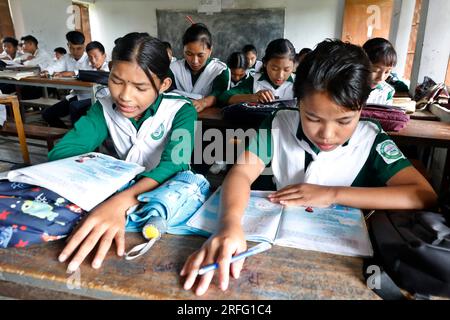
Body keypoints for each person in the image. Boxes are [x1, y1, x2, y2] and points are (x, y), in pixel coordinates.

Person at [181, 39, 437, 296]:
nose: (327, 134)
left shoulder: (371, 138)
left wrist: (332, 194)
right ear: (297, 102)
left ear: (362, 107)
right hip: (277, 251)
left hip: (345, 261)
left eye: (345, 120)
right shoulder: (278, 123)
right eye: (312, 118)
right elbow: (241, 172)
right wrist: (229, 224)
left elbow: (422, 194)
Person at [50, 32, 197, 273]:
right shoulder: (105, 107)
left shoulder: (181, 110)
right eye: (117, 81)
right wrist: (111, 188)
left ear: (163, 85)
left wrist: (122, 200)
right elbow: (63, 152)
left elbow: (175, 164)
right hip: (114, 196)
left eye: (140, 87)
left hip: (168, 197)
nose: (125, 96)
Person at [169, 23, 230, 112]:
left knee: (198, 126)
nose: (195, 61)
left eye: (200, 55)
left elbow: (220, 95)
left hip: (208, 121)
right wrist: (202, 98)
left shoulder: (220, 70)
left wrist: (204, 102)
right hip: (179, 118)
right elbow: (166, 94)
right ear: (183, 49)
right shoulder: (173, 69)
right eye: (189, 54)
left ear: (210, 51)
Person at [218, 38, 296, 106]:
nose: (280, 76)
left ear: (293, 66)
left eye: (286, 69)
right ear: (265, 63)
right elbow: (224, 97)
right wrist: (253, 97)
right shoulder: (254, 81)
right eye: (274, 69)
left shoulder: (299, 82)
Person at [41, 31, 91, 128]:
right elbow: (55, 66)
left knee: (75, 109)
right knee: (47, 114)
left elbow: (91, 74)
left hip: (90, 97)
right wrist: (47, 71)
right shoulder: (67, 58)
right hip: (75, 96)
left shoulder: (90, 58)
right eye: (72, 48)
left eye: (79, 48)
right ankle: (66, 136)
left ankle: (75, 137)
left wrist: (71, 73)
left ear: (84, 46)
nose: (75, 52)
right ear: (68, 45)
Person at [68, 41, 109, 125]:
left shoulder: (108, 67)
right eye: (90, 57)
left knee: (75, 106)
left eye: (96, 57)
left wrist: (77, 73)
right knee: (72, 103)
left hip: (105, 99)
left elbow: (100, 75)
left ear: (104, 56)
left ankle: (78, 130)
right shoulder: (92, 68)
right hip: (92, 96)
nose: (93, 60)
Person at [363, 38, 397, 105]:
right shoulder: (348, 86)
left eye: (387, 72)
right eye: (375, 70)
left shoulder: (388, 92)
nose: (381, 78)